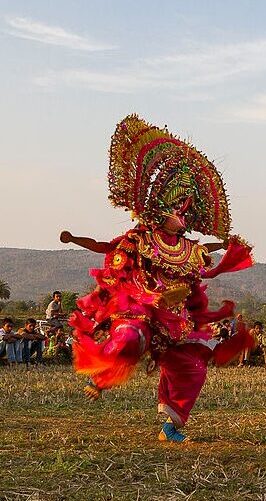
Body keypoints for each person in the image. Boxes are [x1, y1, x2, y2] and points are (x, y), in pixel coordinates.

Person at [60, 115, 254, 443]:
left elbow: (205, 250)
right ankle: (100, 376)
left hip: (175, 319)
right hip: (141, 306)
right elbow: (105, 247)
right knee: (129, 340)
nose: (184, 215)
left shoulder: (189, 249)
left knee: (192, 368)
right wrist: (74, 239)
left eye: (187, 211)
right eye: (179, 209)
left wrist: (225, 244)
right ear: (161, 210)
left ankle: (170, 427)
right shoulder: (142, 238)